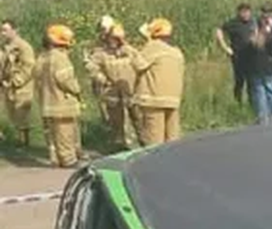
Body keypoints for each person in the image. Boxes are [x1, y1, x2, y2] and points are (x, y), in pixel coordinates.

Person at [35, 24, 82, 167]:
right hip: (62, 103)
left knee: (53, 133)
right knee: (65, 132)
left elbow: (36, 78)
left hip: (47, 102)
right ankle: (68, 160)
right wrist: (77, 90)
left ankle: (55, 158)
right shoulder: (60, 58)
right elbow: (66, 80)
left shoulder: (42, 58)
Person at [132, 19, 185, 145]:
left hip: (153, 100)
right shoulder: (176, 52)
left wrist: (132, 51)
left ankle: (153, 164)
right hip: (173, 99)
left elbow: (138, 64)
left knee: (154, 140)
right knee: (172, 138)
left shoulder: (153, 47)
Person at [87, 21, 138, 150]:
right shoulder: (101, 53)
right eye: (112, 38)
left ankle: (141, 144)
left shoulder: (130, 51)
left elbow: (141, 66)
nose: (115, 41)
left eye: (118, 38)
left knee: (137, 118)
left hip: (131, 91)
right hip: (112, 93)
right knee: (116, 121)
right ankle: (118, 146)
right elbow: (91, 68)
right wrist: (102, 80)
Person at [0, 19, 36, 149]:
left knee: (22, 113)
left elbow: (29, 67)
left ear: (15, 30)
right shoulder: (5, 47)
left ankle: (24, 142)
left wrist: (16, 81)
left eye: (5, 30)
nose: (2, 33)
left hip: (22, 87)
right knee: (12, 113)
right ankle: (18, 141)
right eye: (1, 30)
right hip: (7, 86)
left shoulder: (24, 47)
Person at [215, 2, 258, 105]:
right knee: (239, 81)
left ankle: (252, 103)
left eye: (248, 12)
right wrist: (225, 47)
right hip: (238, 57)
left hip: (252, 56)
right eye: (244, 12)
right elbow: (219, 30)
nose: (247, 14)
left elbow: (256, 31)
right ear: (239, 13)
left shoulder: (252, 22)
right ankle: (238, 103)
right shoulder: (233, 23)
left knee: (252, 81)